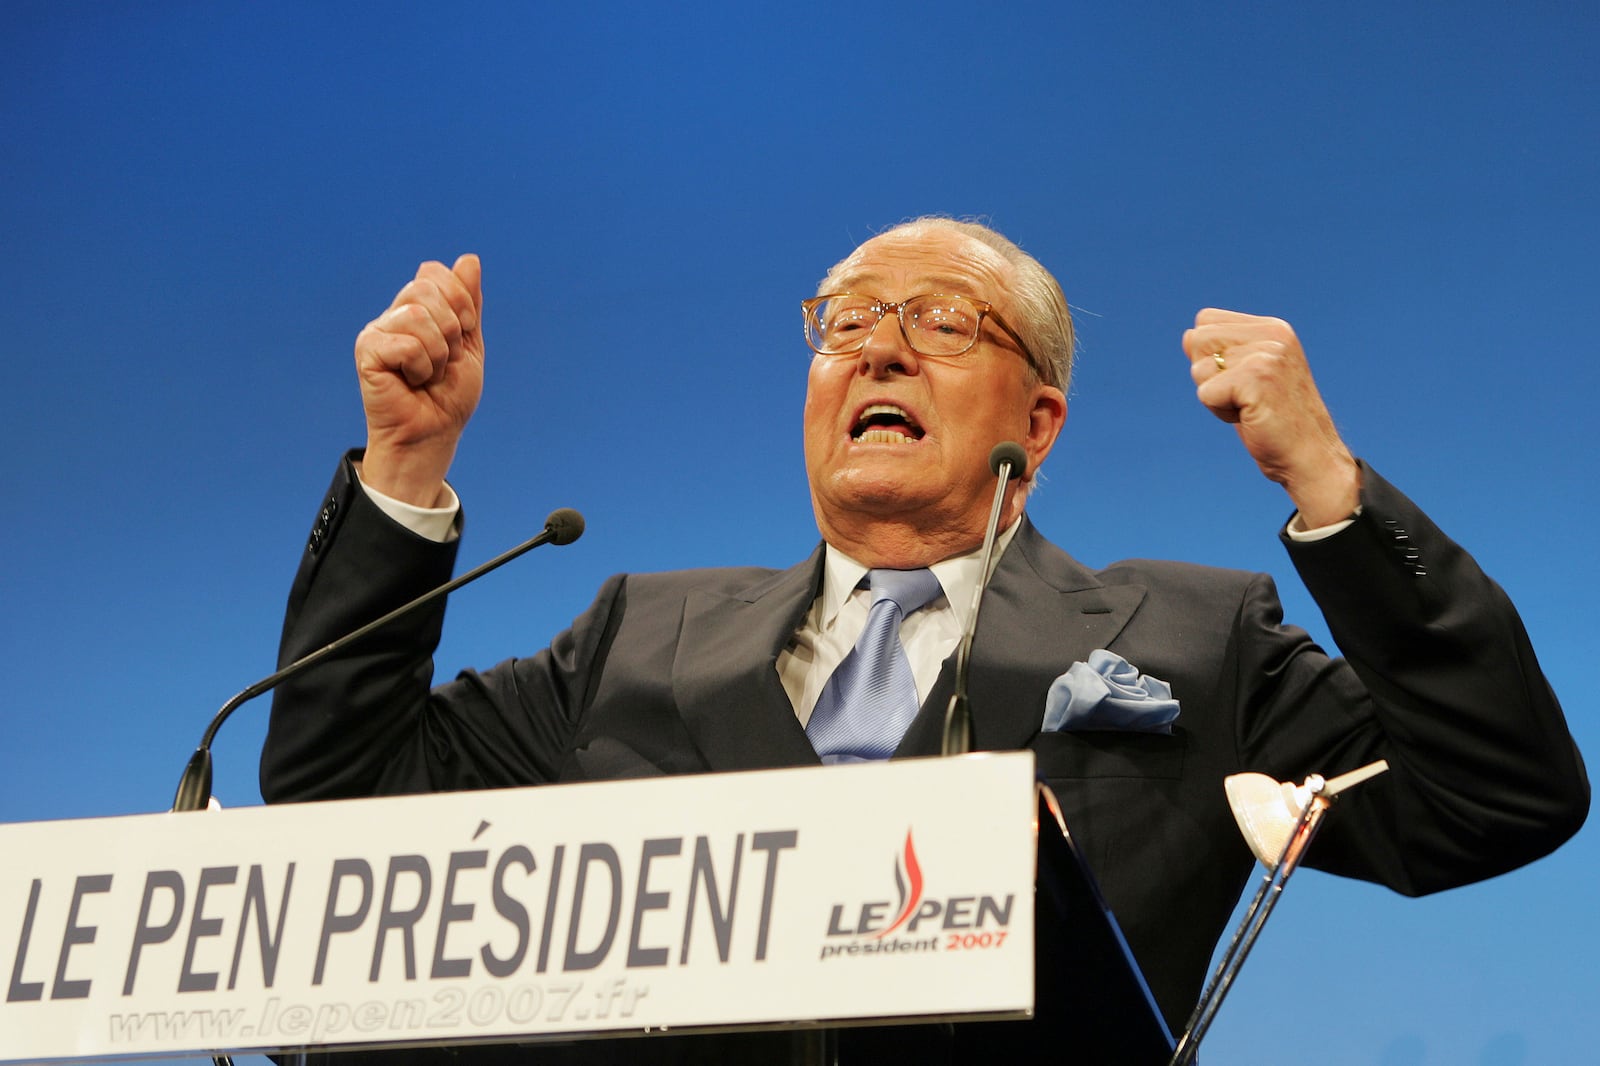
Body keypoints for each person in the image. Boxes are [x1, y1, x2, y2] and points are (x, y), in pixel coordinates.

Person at [262, 218, 1588, 1061]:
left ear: (1044, 416)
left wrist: (1329, 488)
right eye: (847, 324)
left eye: (942, 324)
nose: (880, 353)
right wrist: (406, 465)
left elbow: (1500, 796)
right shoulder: (635, 634)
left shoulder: (1194, 636)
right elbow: (339, 803)